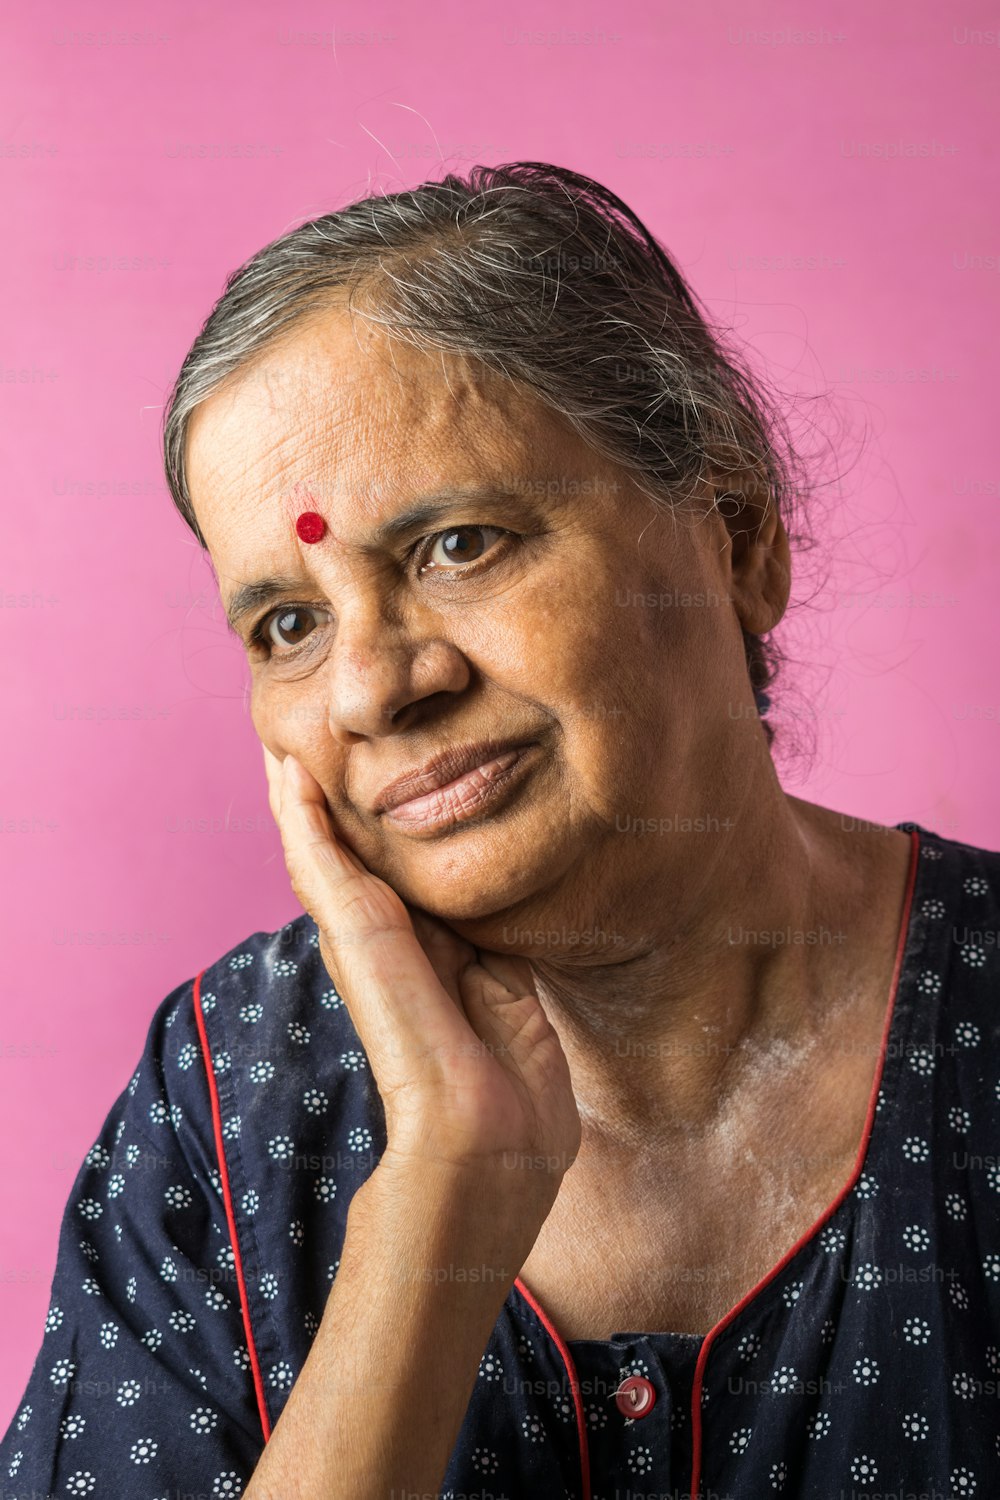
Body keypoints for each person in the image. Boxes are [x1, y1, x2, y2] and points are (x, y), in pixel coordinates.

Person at [2, 162, 998, 1500]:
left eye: (460, 545)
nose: (374, 686)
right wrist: (442, 1194)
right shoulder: (225, 1108)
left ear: (739, 534)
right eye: (287, 626)